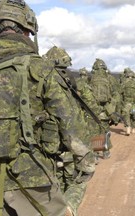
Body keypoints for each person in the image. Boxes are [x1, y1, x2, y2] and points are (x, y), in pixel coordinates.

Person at [0, 1, 95, 215]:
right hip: (37, 177)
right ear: (28, 29)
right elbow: (70, 124)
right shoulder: (42, 69)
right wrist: (85, 161)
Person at [43, 45, 93, 216]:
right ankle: (68, 206)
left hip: (44, 149)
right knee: (74, 180)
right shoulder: (68, 81)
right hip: (67, 146)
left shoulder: (38, 80)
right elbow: (71, 122)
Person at [90, 58, 115, 159]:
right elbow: (114, 94)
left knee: (94, 132)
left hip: (93, 110)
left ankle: (95, 155)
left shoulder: (91, 79)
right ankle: (106, 152)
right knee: (105, 131)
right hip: (105, 111)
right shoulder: (108, 79)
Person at [120, 68, 135, 135]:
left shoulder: (124, 82)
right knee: (134, 116)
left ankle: (128, 127)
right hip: (134, 103)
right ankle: (133, 128)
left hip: (126, 102)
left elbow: (119, 92)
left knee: (126, 114)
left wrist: (122, 101)